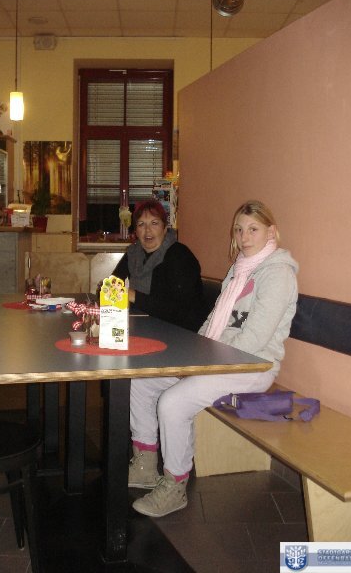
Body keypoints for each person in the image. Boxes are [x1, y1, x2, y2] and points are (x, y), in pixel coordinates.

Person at [129, 199, 298, 517]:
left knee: (173, 403)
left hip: (252, 366)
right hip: (217, 359)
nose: (244, 237)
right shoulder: (240, 269)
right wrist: (193, 355)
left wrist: (201, 366)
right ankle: (145, 464)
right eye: (239, 229)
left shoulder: (277, 275)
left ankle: (175, 485)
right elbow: (213, 321)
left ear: (271, 232)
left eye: (253, 229)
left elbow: (253, 341)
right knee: (142, 380)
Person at [111, 199, 208, 332]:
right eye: (141, 224)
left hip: (181, 332)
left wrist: (133, 296)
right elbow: (110, 287)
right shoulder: (133, 254)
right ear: (136, 231)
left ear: (164, 228)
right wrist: (107, 290)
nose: (147, 230)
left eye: (154, 223)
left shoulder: (180, 255)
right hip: (143, 326)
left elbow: (179, 311)